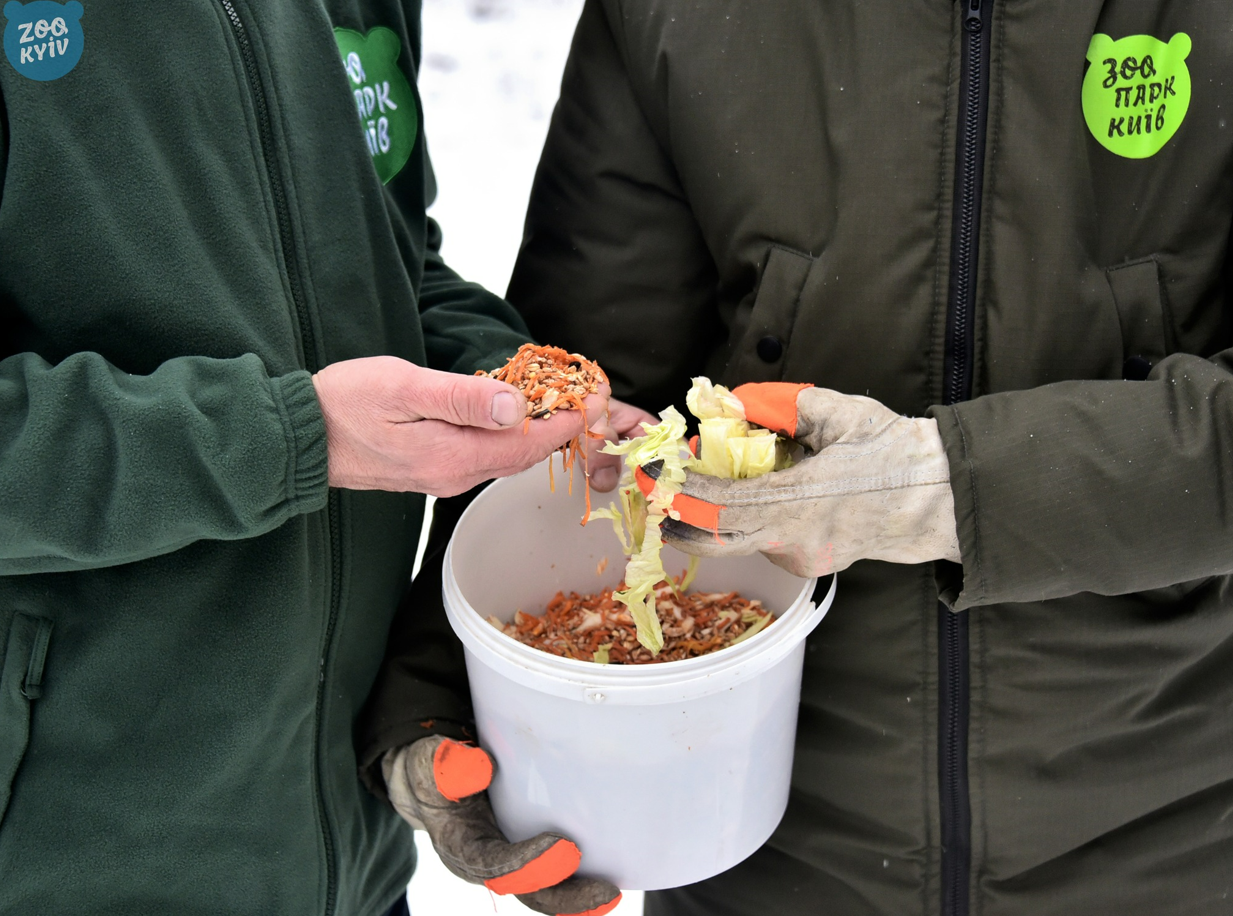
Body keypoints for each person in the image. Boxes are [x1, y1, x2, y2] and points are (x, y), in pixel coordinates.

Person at [495, 2, 1233, 915]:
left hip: (1182, 821)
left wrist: (955, 489)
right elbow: (577, 402)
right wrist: (446, 695)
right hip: (758, 822)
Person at [0, 1, 623, 914]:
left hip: (347, 868)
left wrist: (510, 386)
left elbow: (394, 265)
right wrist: (285, 438)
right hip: (74, 862)